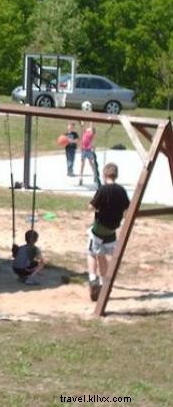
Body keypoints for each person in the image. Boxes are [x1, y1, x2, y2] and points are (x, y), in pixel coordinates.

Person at [86, 162, 129, 302]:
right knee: (102, 254)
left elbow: (91, 207)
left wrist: (96, 209)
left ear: (104, 175)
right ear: (116, 175)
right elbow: (126, 209)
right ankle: (105, 281)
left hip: (100, 228)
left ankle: (93, 279)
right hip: (112, 229)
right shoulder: (122, 191)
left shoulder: (103, 190)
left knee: (92, 252)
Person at [78, 124, 100, 188]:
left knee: (91, 163)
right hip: (83, 149)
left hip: (88, 150)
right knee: (82, 164)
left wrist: (93, 146)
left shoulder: (91, 134)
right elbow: (85, 126)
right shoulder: (87, 131)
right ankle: (80, 177)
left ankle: (95, 175)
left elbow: (92, 141)